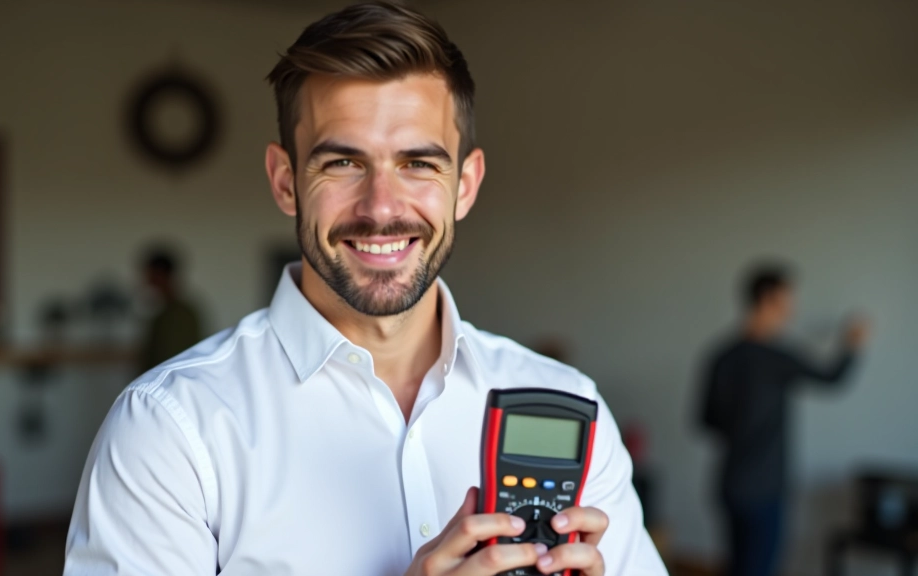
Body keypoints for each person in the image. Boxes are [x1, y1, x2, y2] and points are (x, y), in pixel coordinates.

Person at [65, 3, 665, 574]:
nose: (381, 209)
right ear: (284, 181)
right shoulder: (168, 429)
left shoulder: (566, 400)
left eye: (419, 164)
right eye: (343, 164)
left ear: (465, 184)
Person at [699, 264, 869, 576]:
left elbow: (705, 421)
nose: (792, 311)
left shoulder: (721, 355)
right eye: (787, 302)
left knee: (738, 566)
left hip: (730, 484)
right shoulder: (775, 358)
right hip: (765, 489)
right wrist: (853, 345)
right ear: (768, 300)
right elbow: (831, 377)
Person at [136, 246, 203, 373]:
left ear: (161, 275)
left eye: (151, 276)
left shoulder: (179, 315)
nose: (146, 282)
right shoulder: (163, 312)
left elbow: (170, 361)